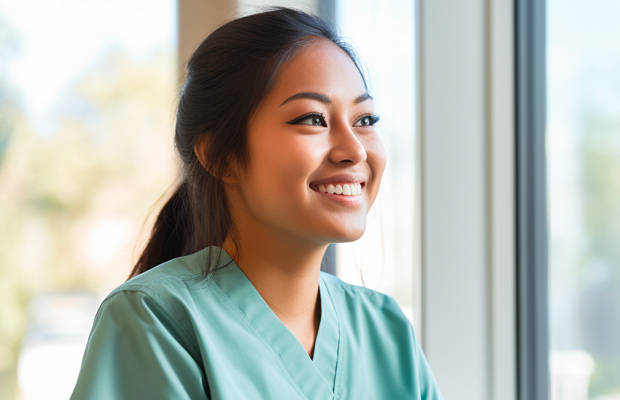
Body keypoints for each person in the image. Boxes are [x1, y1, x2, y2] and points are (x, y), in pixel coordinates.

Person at [70, 7, 442, 400]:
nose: (354, 150)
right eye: (313, 119)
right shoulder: (156, 323)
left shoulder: (387, 330)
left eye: (365, 120)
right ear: (220, 156)